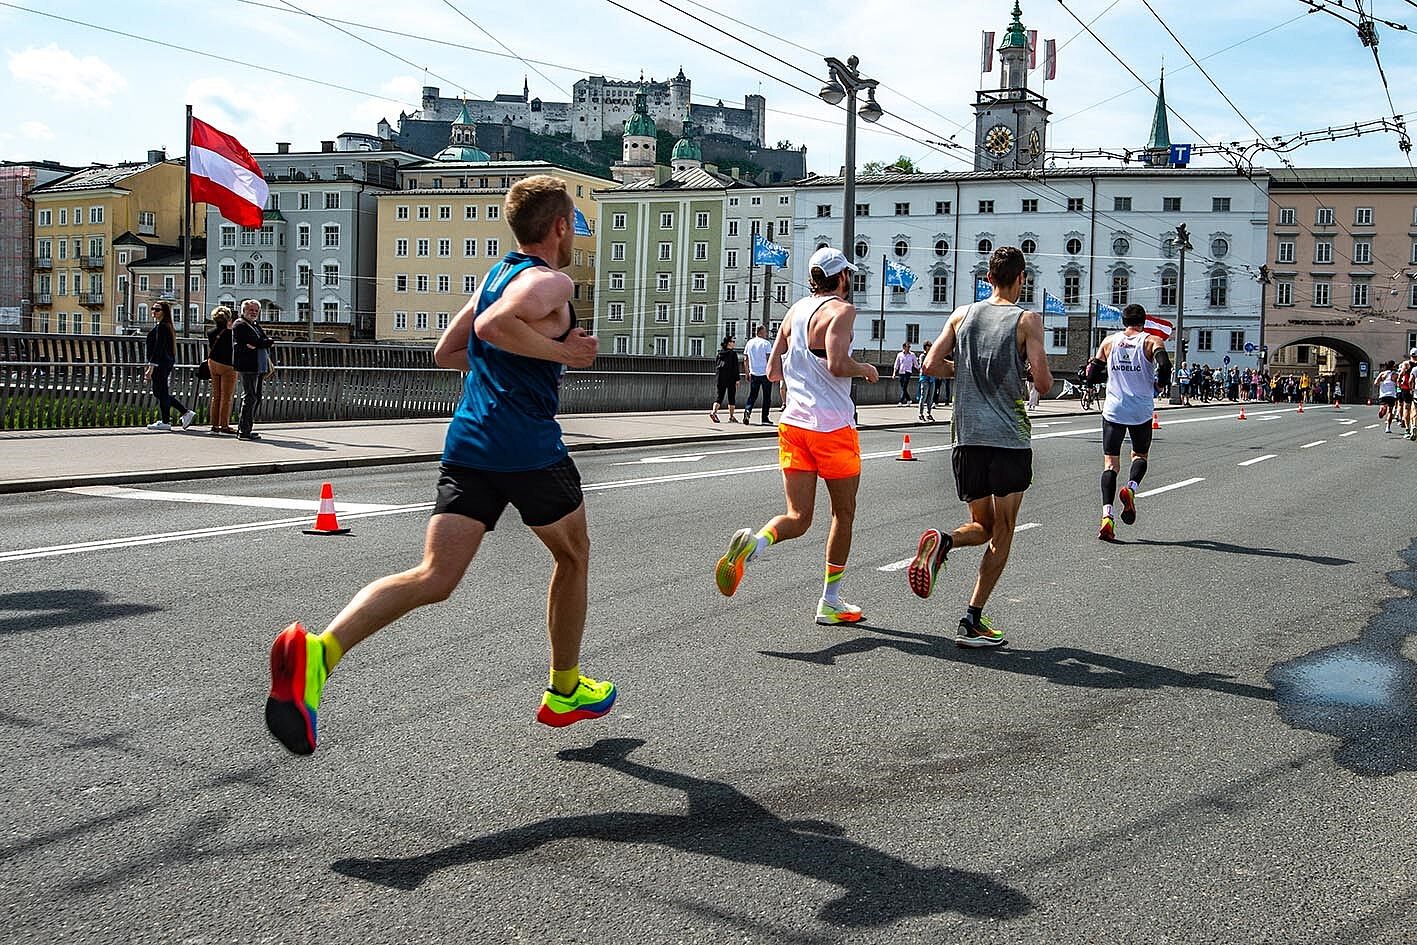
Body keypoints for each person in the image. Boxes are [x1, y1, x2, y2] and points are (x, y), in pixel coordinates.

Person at [264, 175, 612, 756]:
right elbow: (490, 329)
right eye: (572, 221)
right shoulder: (549, 282)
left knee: (433, 576)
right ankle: (565, 689)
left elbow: (449, 351)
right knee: (572, 555)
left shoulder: (495, 276)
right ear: (558, 226)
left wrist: (501, 377)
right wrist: (564, 352)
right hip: (527, 446)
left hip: (470, 441)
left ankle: (320, 655)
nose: (573, 231)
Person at [713, 246, 879, 625]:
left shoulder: (794, 311)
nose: (850, 281)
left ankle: (754, 544)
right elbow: (838, 364)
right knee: (844, 513)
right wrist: (865, 368)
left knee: (799, 516)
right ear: (841, 278)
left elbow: (772, 371)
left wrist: (802, 373)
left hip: (793, 426)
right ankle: (830, 601)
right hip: (833, 427)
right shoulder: (841, 310)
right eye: (849, 275)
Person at [906, 245, 1052, 648]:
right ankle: (972, 619)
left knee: (981, 523)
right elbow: (1043, 384)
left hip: (966, 438)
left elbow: (930, 366)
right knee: (1002, 530)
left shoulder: (962, 314)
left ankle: (945, 541)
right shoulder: (1027, 320)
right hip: (1008, 438)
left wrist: (964, 369)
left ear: (987, 278)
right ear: (1022, 278)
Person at [1087, 304, 1170, 541]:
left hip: (1113, 409)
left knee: (1110, 465)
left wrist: (1110, 375)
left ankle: (1107, 517)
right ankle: (1131, 489)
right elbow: (1165, 366)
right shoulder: (1151, 341)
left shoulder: (1109, 342)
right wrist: (1160, 385)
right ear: (1144, 321)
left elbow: (1092, 376)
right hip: (1140, 411)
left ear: (1123, 321)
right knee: (1140, 456)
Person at [143, 301, 195, 432]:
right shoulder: (166, 326)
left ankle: (183, 413)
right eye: (153, 309)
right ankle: (168, 420)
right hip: (164, 363)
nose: (154, 311)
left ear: (164, 312)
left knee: (160, 392)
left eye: (157, 309)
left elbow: (158, 348)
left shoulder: (162, 327)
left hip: (160, 364)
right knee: (161, 392)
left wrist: (151, 367)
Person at [232, 299, 275, 441]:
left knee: (256, 397)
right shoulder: (240, 325)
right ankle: (244, 431)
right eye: (251, 310)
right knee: (250, 397)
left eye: (256, 311)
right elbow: (258, 341)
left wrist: (260, 343)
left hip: (258, 365)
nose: (254, 313)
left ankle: (247, 428)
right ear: (244, 311)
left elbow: (262, 341)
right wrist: (261, 343)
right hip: (248, 366)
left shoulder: (255, 325)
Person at [206, 305, 238, 435]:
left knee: (216, 396)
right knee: (226, 397)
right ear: (228, 319)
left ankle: (214, 425)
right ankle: (224, 425)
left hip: (213, 363)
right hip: (228, 366)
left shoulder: (210, 332)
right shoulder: (231, 334)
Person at [742, 324, 774, 425]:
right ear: (761, 332)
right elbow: (769, 358)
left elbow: (745, 359)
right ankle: (764, 418)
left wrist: (747, 372)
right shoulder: (766, 343)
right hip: (765, 374)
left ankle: (747, 411)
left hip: (754, 373)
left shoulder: (749, 343)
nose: (766, 333)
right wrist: (772, 372)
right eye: (765, 331)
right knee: (767, 396)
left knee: (752, 395)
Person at [710, 335, 741, 423]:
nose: (734, 344)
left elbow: (716, 365)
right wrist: (737, 379)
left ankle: (714, 412)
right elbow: (735, 368)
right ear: (728, 343)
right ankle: (731, 417)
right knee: (731, 397)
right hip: (730, 378)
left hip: (720, 377)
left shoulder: (720, 353)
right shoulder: (732, 354)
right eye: (732, 342)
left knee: (719, 396)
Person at [1374, 361, 1401, 434]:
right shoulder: (1395, 375)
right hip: (1392, 395)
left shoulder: (1382, 374)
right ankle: (1388, 427)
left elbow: (1375, 383)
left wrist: (1382, 384)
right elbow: (1399, 384)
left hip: (1383, 394)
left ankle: (1382, 409)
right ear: (1393, 366)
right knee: (1390, 411)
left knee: (1384, 406)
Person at [917, 340, 937, 422]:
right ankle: (921, 414)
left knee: (930, 397)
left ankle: (929, 413)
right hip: (925, 378)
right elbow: (923, 365)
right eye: (928, 347)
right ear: (925, 347)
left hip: (932, 378)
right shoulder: (923, 356)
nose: (930, 348)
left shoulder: (933, 355)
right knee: (923, 396)